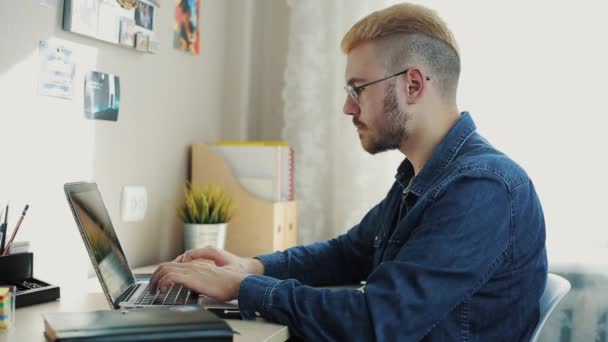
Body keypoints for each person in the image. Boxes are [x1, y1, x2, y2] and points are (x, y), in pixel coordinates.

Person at [150, 3, 547, 340]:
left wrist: (243, 288)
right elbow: (348, 252)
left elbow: (378, 319)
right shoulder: (420, 176)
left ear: (412, 85)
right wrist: (251, 267)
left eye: (358, 89)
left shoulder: (482, 188)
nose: (347, 107)